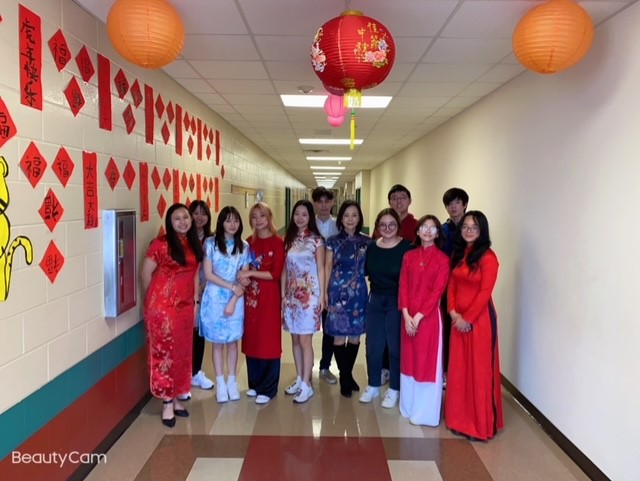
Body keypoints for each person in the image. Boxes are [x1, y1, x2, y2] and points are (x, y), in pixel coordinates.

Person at [140, 203, 203, 427]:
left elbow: (195, 273)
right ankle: (167, 401)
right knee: (165, 354)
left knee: (181, 353)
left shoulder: (194, 243)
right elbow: (145, 274)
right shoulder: (161, 244)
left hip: (185, 307)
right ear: (170, 222)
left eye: (186, 217)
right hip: (163, 308)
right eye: (177, 218)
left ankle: (176, 396)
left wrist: (195, 302)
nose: (183, 221)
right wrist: (155, 302)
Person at [445, 210, 503, 441]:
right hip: (457, 319)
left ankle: (480, 426)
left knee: (478, 372)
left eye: (474, 227)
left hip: (479, 322)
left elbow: (485, 292)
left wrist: (466, 319)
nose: (469, 230)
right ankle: (459, 420)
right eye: (466, 226)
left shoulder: (489, 258)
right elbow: (452, 284)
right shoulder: (459, 254)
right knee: (459, 371)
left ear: (482, 231)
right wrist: (452, 313)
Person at [360, 208, 414, 408]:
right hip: (375, 300)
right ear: (377, 227)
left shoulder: (408, 248)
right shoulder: (372, 247)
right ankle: (373, 385)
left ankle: (394, 389)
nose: (387, 228)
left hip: (397, 301)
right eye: (382, 225)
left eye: (392, 224)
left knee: (394, 347)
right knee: (373, 345)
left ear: (398, 227)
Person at [398, 215, 449, 426]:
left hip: (428, 319)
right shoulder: (408, 256)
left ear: (438, 233)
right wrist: (406, 314)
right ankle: (408, 406)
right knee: (409, 361)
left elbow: (437, 292)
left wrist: (418, 317)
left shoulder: (443, 260)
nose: (428, 231)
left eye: (433, 228)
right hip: (408, 316)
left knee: (425, 362)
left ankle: (425, 413)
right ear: (417, 232)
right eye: (424, 228)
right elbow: (403, 286)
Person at [200, 206, 251, 403]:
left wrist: (234, 299)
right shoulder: (210, 244)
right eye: (228, 220)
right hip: (214, 299)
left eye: (236, 220)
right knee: (218, 343)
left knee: (232, 342)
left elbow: (244, 276)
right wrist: (231, 285)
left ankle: (232, 381)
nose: (232, 224)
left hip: (235, 300)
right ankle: (220, 382)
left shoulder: (244, 246)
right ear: (221, 222)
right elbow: (209, 274)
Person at [238, 202, 285, 405]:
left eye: (262, 216)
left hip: (269, 297)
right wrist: (243, 277)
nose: (258, 220)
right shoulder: (248, 243)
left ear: (269, 218)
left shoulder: (277, 242)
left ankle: (268, 388)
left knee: (269, 340)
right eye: (254, 217)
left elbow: (275, 274)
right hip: (250, 298)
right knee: (252, 339)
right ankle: (255, 384)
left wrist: (250, 272)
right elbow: (241, 268)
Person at [324, 200, 371, 398]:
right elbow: (327, 267)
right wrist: (325, 292)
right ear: (340, 218)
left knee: (354, 336)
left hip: (358, 292)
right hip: (337, 292)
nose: (350, 219)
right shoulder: (333, 241)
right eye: (346, 215)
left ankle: (347, 374)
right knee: (338, 336)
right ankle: (345, 378)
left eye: (354, 215)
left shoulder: (367, 241)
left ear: (359, 218)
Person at [374, 184, 419, 384]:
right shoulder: (384, 225)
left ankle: (401, 370)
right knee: (384, 332)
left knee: (400, 334)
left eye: (402, 197)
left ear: (410, 201)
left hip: (408, 290)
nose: (398, 201)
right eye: (394, 198)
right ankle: (385, 369)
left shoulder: (417, 227)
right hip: (384, 291)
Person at [282, 200, 325, 403]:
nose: (300, 218)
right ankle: (299, 378)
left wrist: (322, 295)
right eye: (297, 214)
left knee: (305, 340)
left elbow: (322, 269)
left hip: (309, 296)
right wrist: (283, 295)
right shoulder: (288, 240)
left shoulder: (317, 241)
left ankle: (307, 384)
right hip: (291, 297)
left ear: (310, 217)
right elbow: (284, 270)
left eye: (304, 215)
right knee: (295, 339)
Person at [177, 201, 215, 402]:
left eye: (203, 213)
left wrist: (202, 288)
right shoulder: (183, 239)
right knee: (184, 335)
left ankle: (196, 372)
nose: (199, 217)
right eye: (195, 213)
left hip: (205, 293)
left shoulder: (212, 239)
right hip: (183, 294)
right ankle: (183, 378)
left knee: (199, 333)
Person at [440, 187, 469, 384]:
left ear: (465, 204)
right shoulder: (443, 229)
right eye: (449, 204)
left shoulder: (472, 227)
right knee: (448, 327)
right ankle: (447, 370)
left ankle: (464, 370)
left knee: (465, 326)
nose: (453, 207)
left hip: (468, 286)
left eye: (457, 202)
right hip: (446, 286)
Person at [312, 186, 339, 385]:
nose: (323, 205)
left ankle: (324, 366)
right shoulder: (306, 223)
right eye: (319, 201)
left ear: (332, 203)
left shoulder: (338, 225)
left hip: (331, 284)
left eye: (326, 201)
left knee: (329, 327)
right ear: (314, 203)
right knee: (303, 331)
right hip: (309, 284)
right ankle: (304, 370)